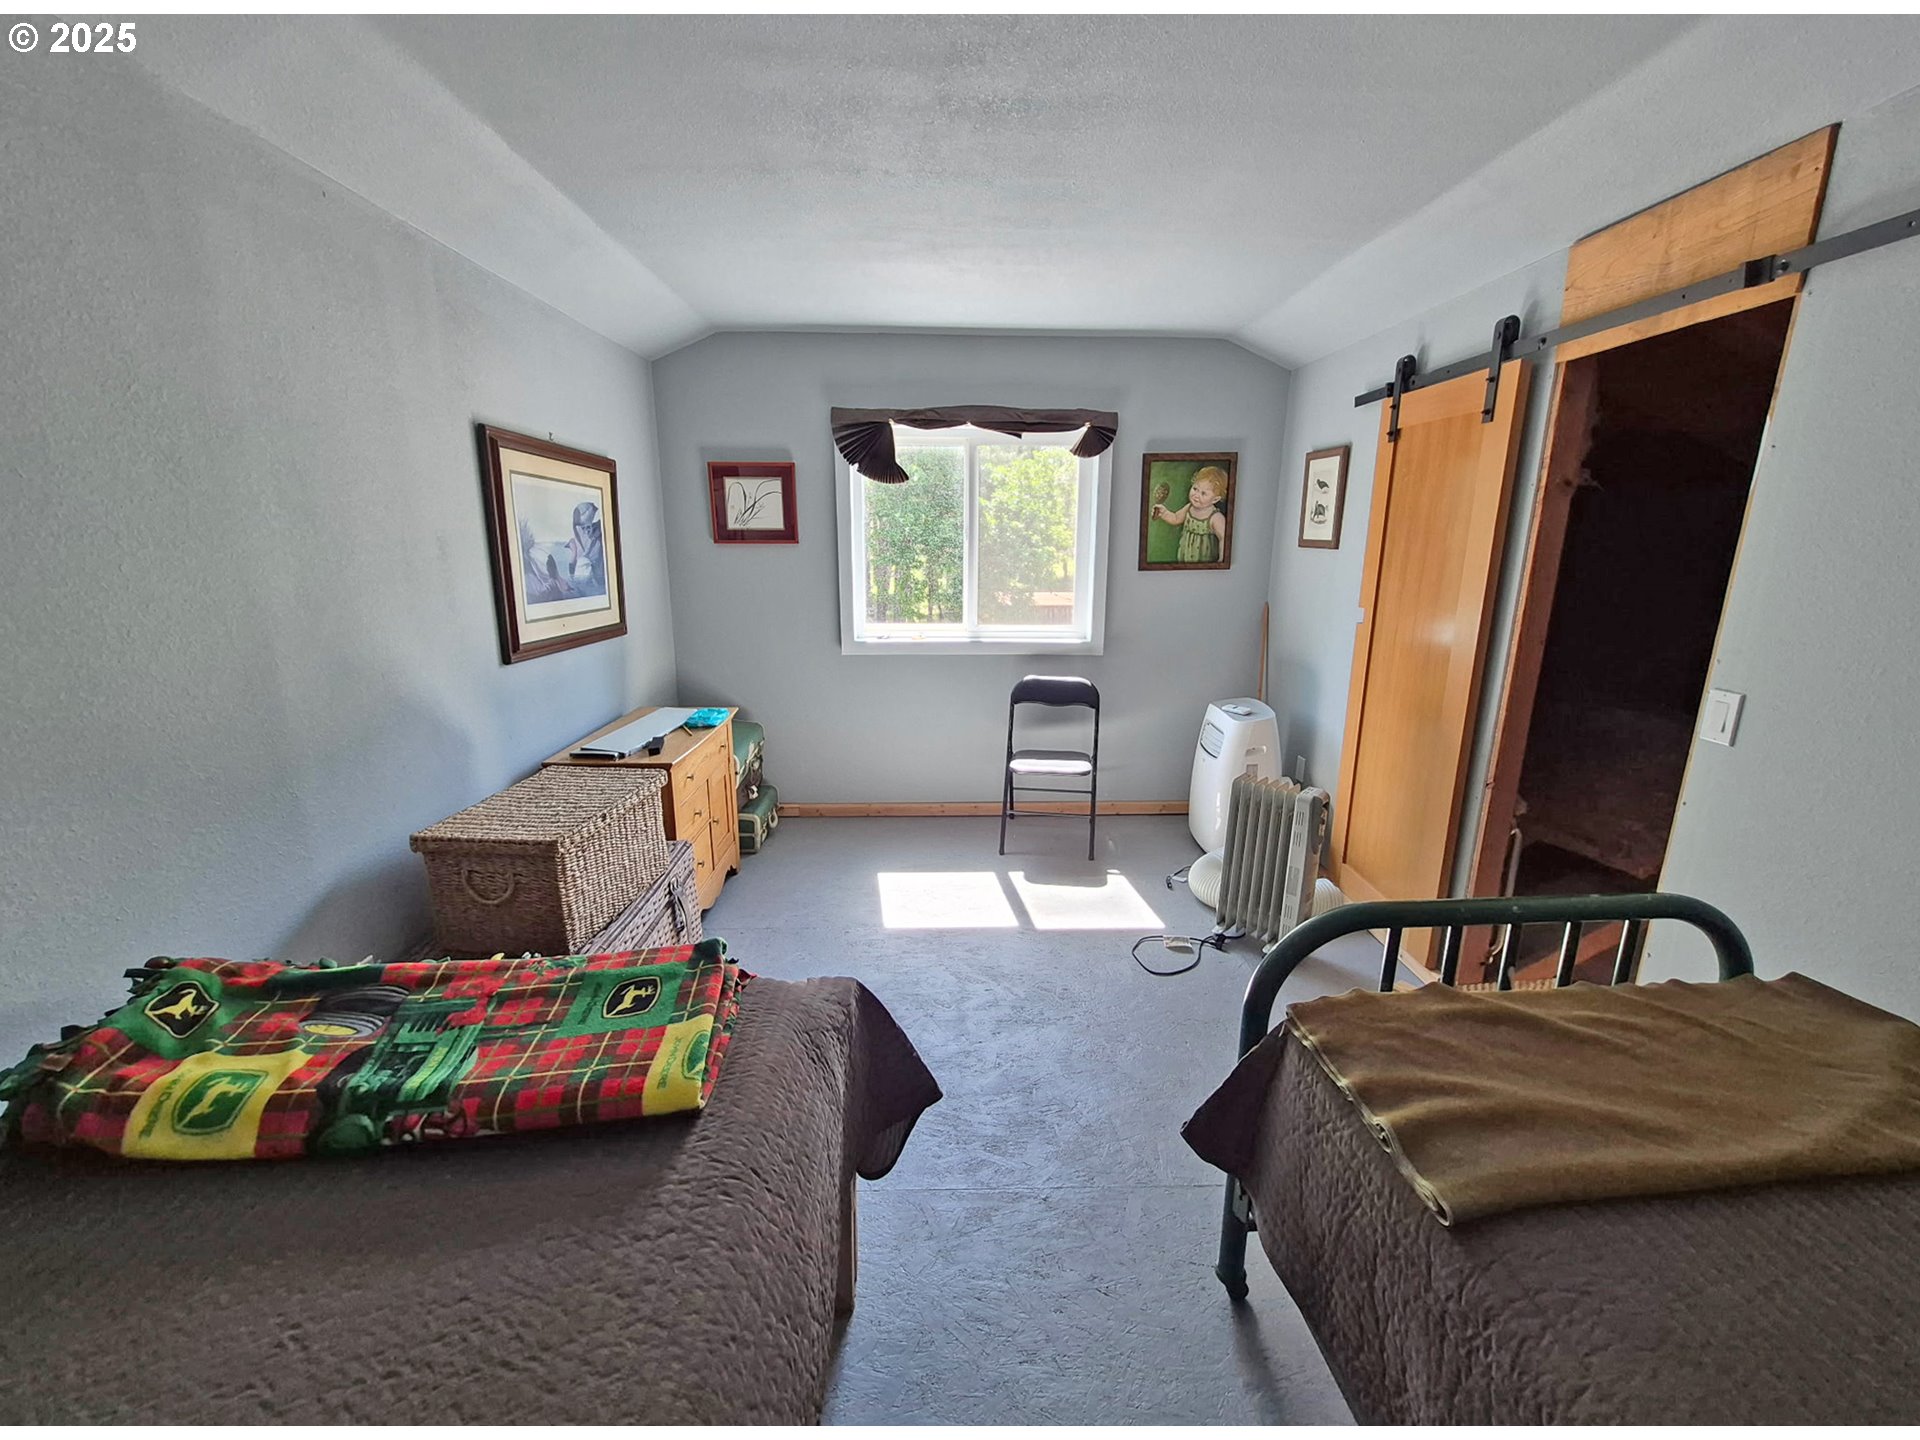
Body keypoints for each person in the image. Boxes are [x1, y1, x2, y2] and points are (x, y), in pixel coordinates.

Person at [1152, 466, 1229, 564]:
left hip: (1205, 561)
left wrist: (1222, 560)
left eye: (1203, 493)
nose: (1196, 495)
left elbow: (1224, 538)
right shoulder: (1189, 508)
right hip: (1186, 556)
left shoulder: (1215, 517)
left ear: (1215, 499)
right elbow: (1176, 518)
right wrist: (1164, 513)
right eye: (1195, 489)